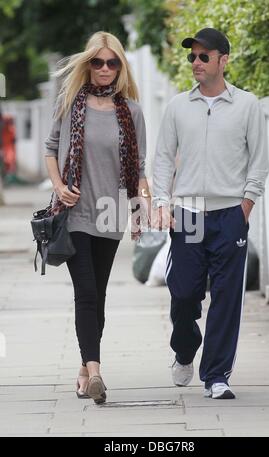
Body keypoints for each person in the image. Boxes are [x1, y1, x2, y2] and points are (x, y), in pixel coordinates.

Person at [152, 28, 269, 399]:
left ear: (224, 60)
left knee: (226, 296)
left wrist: (245, 206)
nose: (196, 63)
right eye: (192, 57)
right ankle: (184, 350)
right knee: (183, 293)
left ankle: (216, 374)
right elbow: (162, 160)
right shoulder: (176, 106)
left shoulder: (247, 105)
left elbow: (260, 162)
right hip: (187, 213)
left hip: (229, 214)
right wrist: (160, 203)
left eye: (204, 56)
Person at [45, 31, 150, 404]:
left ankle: (82, 371)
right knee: (86, 293)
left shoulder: (132, 112)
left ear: (120, 66)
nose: (105, 69)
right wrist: (59, 186)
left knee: (98, 295)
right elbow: (51, 150)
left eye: (112, 62)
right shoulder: (70, 104)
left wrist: (139, 214)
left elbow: (138, 168)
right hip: (74, 213)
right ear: (87, 64)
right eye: (98, 61)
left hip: (111, 215)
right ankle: (97, 373)